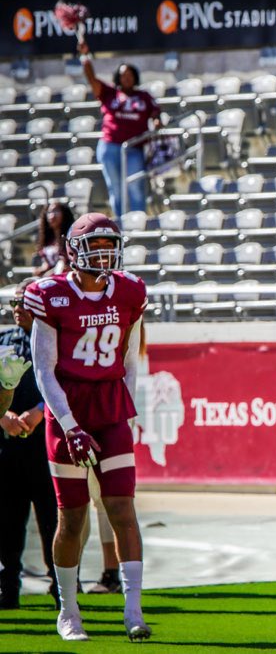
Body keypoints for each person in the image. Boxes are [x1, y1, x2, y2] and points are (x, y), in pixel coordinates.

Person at [24, 213, 150, 641]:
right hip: (68, 408)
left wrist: (127, 408)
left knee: (122, 510)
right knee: (72, 517)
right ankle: (69, 612)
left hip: (110, 405)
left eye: (109, 244)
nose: (104, 252)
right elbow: (44, 370)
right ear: (75, 250)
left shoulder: (130, 290)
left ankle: (133, 611)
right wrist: (70, 425)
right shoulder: (50, 293)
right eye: (95, 245)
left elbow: (130, 357)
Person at [0, 278, 55, 610]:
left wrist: (39, 413)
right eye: (14, 304)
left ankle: (63, 587)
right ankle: (8, 588)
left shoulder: (58, 342)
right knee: (7, 523)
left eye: (24, 302)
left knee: (54, 521)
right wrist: (2, 416)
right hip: (7, 446)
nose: (18, 309)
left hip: (46, 445)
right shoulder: (2, 341)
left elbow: (70, 388)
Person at [78, 40, 161, 219]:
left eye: (130, 74)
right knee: (115, 187)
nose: (127, 78)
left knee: (136, 185)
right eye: (124, 75)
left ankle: (139, 223)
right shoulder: (109, 93)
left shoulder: (144, 96)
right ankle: (121, 225)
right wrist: (85, 57)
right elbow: (91, 79)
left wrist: (156, 122)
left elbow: (155, 113)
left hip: (134, 147)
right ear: (118, 77)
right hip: (110, 146)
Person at [34, 201, 75, 277]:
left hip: (65, 279)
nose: (52, 215)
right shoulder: (47, 240)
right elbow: (47, 264)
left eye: (56, 211)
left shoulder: (71, 238)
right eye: (49, 212)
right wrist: (41, 270)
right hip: (50, 277)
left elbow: (67, 266)